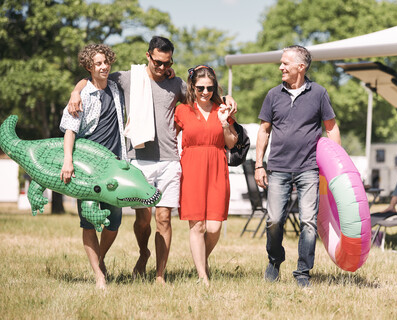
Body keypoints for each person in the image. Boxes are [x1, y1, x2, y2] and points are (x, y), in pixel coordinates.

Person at [67, 36, 237, 284]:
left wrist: (228, 97)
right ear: (148, 56)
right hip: (138, 158)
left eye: (166, 63)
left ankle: (159, 275)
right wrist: (76, 90)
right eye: (157, 62)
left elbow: (203, 95)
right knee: (143, 218)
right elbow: (95, 77)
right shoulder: (129, 79)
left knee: (164, 218)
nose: (161, 67)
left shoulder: (176, 83)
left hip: (169, 160)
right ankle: (143, 252)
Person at [255, 45, 341, 288]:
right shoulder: (273, 94)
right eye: (281, 63)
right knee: (273, 220)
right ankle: (274, 260)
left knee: (308, 221)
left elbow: (331, 127)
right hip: (279, 167)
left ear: (300, 67)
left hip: (309, 168)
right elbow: (264, 129)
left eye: (285, 63)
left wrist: (335, 167)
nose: (281, 67)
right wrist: (259, 165)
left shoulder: (319, 93)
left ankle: (303, 272)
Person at [60, 43, 126, 289]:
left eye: (106, 62)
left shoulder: (116, 88)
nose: (103, 66)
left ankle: (100, 258)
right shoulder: (82, 94)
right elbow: (69, 130)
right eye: (98, 63)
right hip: (87, 167)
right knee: (88, 221)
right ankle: (99, 275)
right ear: (89, 67)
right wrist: (68, 160)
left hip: (114, 167)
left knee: (114, 221)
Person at [174, 65, 237, 286]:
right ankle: (203, 276)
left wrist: (224, 124)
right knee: (197, 225)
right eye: (200, 87)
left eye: (209, 88)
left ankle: (202, 260)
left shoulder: (222, 108)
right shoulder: (182, 110)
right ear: (192, 86)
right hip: (191, 168)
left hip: (217, 166)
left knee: (213, 227)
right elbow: (168, 137)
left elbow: (231, 143)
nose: (204, 92)